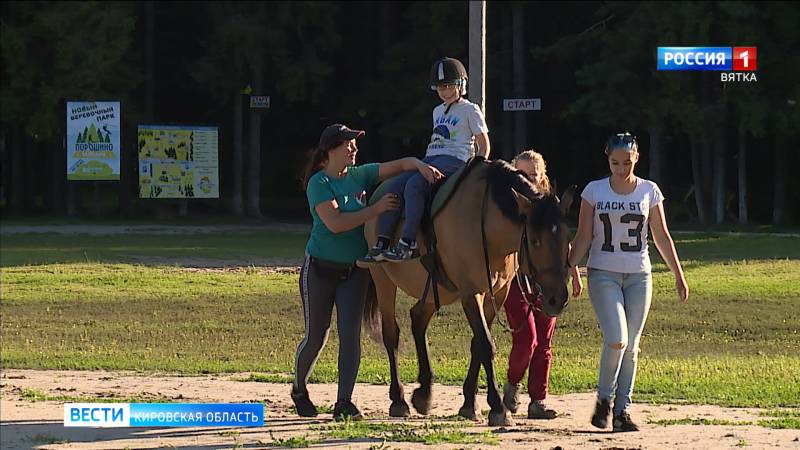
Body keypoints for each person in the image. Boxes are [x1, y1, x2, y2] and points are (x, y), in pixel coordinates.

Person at [293, 124, 444, 421]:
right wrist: (374, 211)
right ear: (330, 150)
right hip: (320, 270)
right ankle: (299, 388)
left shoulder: (360, 174)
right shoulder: (319, 183)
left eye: (355, 145)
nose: (354, 149)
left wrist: (419, 165)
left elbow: (398, 165)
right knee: (316, 336)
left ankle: (344, 403)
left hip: (354, 271)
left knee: (350, 337)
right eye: (348, 145)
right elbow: (336, 223)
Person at [567, 132, 689, 432]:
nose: (621, 168)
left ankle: (623, 411)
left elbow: (661, 235)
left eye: (626, 162)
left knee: (632, 346)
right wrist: (569, 268)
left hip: (639, 275)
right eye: (615, 162)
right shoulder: (594, 191)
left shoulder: (649, 190)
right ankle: (605, 400)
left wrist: (677, 273)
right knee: (616, 338)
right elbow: (583, 236)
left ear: (636, 158)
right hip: (603, 272)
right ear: (607, 160)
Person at [358, 57, 490, 264]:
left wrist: (477, 169)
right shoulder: (437, 111)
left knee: (414, 185)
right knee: (395, 185)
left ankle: (409, 242)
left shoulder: (470, 110)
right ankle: (382, 243)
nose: (444, 92)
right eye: (440, 88)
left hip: (455, 160)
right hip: (431, 158)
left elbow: (484, 143)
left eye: (448, 86)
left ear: (461, 84)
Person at [501, 150, 583, 419]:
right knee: (527, 338)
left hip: (548, 279)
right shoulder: (509, 206)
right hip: (516, 279)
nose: (529, 179)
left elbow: (562, 243)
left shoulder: (551, 207)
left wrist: (575, 273)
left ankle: (538, 400)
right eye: (522, 174)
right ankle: (512, 387)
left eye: (533, 174)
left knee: (544, 342)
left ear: (542, 176)